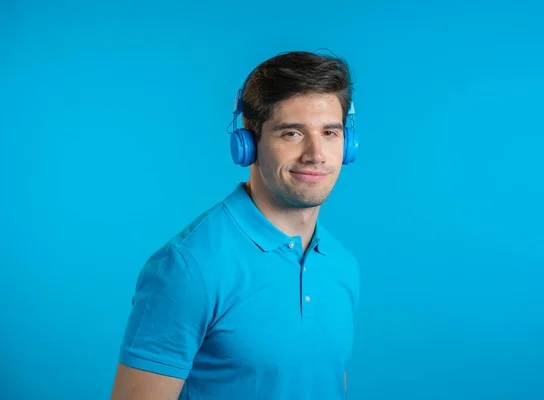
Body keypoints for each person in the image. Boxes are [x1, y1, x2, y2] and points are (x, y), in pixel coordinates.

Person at [110, 50, 361, 400]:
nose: (315, 153)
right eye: (291, 133)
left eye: (330, 133)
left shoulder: (341, 264)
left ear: (348, 145)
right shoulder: (188, 266)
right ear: (248, 143)